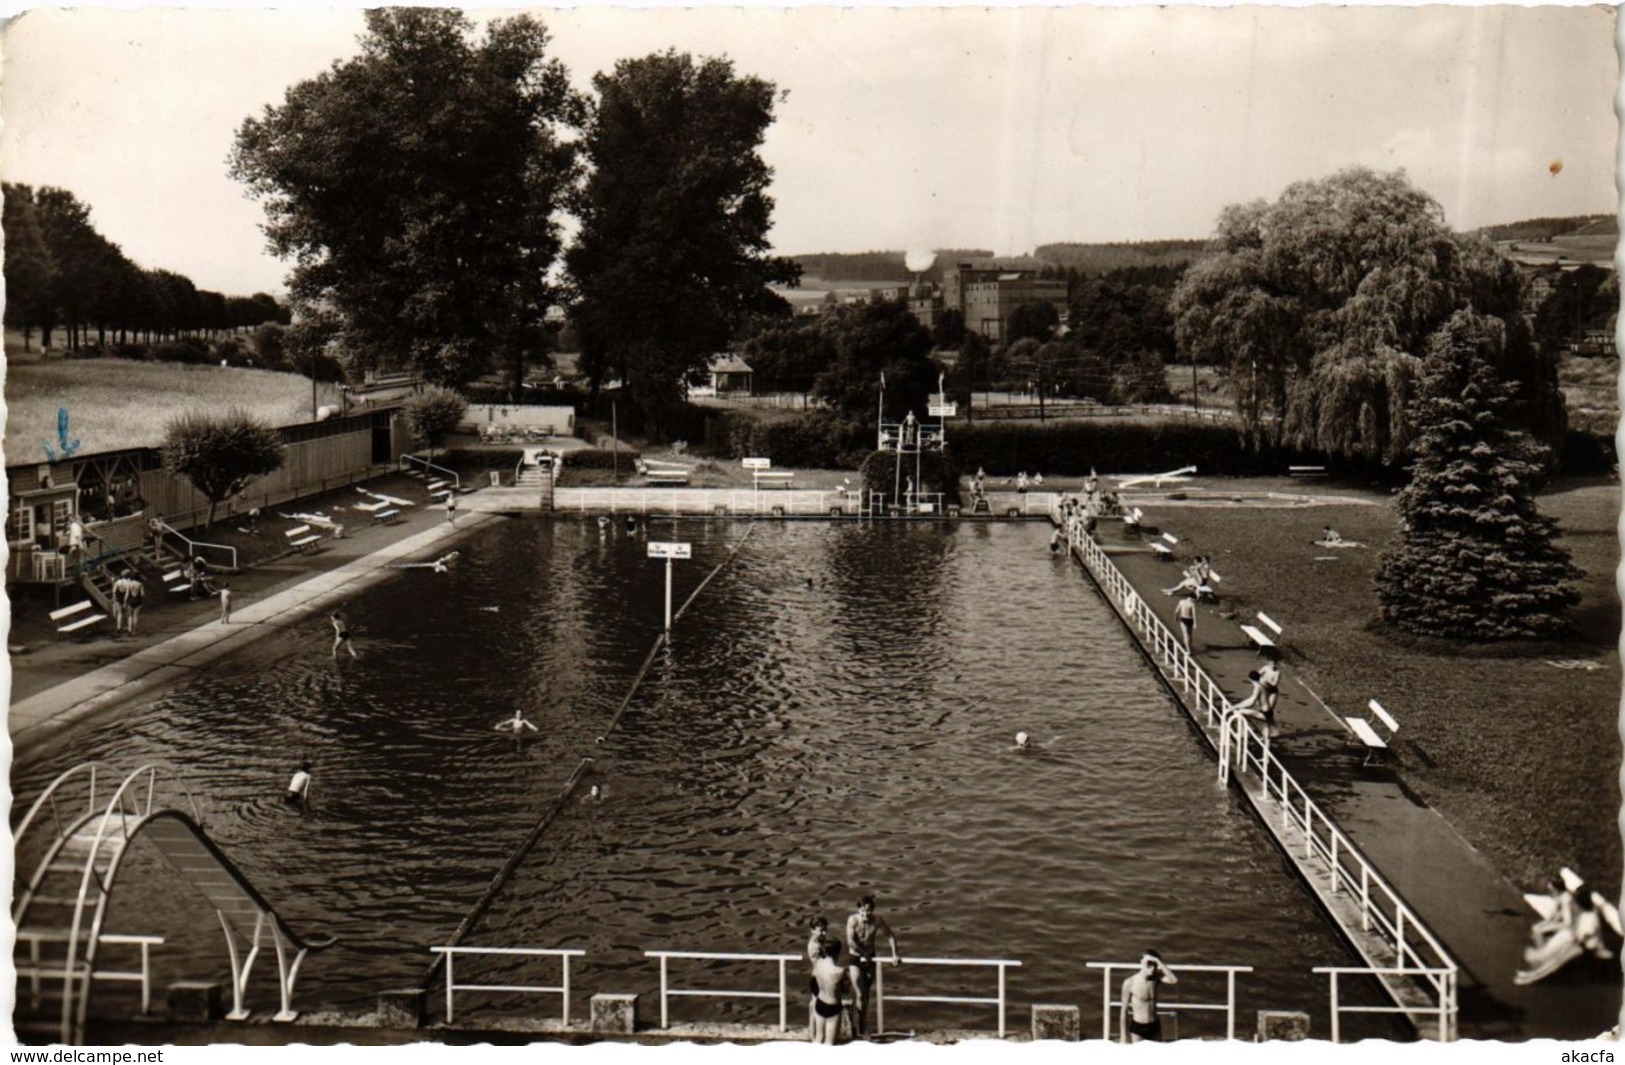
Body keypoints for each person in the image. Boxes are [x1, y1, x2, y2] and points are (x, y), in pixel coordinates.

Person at [846, 896, 900, 1038]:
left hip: (870, 958)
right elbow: (850, 941)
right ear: (859, 910)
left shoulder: (877, 920)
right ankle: (859, 1028)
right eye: (863, 911)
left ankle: (862, 1027)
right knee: (860, 994)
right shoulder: (853, 920)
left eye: (868, 911)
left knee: (866, 995)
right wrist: (863, 953)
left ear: (872, 910)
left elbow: (890, 935)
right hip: (856, 958)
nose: (866, 914)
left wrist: (894, 954)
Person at [1121, 950, 1177, 1042]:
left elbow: (1173, 980)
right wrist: (1124, 1037)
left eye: (1154, 965)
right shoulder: (1130, 982)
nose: (1152, 968)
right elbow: (1124, 1011)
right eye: (1148, 964)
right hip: (1138, 1028)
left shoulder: (1156, 978)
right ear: (1142, 963)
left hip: (1154, 1025)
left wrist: (1158, 961)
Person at [809, 940, 853, 1045]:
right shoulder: (840, 971)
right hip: (833, 1007)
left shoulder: (818, 963)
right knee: (829, 1044)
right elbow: (845, 991)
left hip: (820, 1002)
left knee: (818, 1039)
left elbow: (812, 982)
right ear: (837, 953)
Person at [1256, 656, 1282, 722]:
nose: (1272, 665)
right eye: (1271, 663)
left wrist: (1266, 680)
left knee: (1269, 710)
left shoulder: (1277, 672)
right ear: (1268, 663)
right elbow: (1257, 675)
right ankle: (1259, 718)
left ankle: (1269, 722)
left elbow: (1274, 684)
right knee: (1261, 706)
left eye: (1274, 663)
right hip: (1264, 689)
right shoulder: (1265, 668)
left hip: (1272, 691)